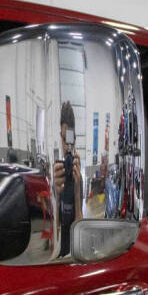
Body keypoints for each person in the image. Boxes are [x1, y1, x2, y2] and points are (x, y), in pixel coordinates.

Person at [53, 101, 83, 255]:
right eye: (64, 139)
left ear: (75, 139)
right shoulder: (56, 173)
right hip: (58, 251)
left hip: (73, 252)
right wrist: (57, 196)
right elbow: (53, 233)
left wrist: (77, 192)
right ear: (60, 136)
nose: (66, 146)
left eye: (70, 141)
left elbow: (81, 233)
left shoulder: (79, 176)